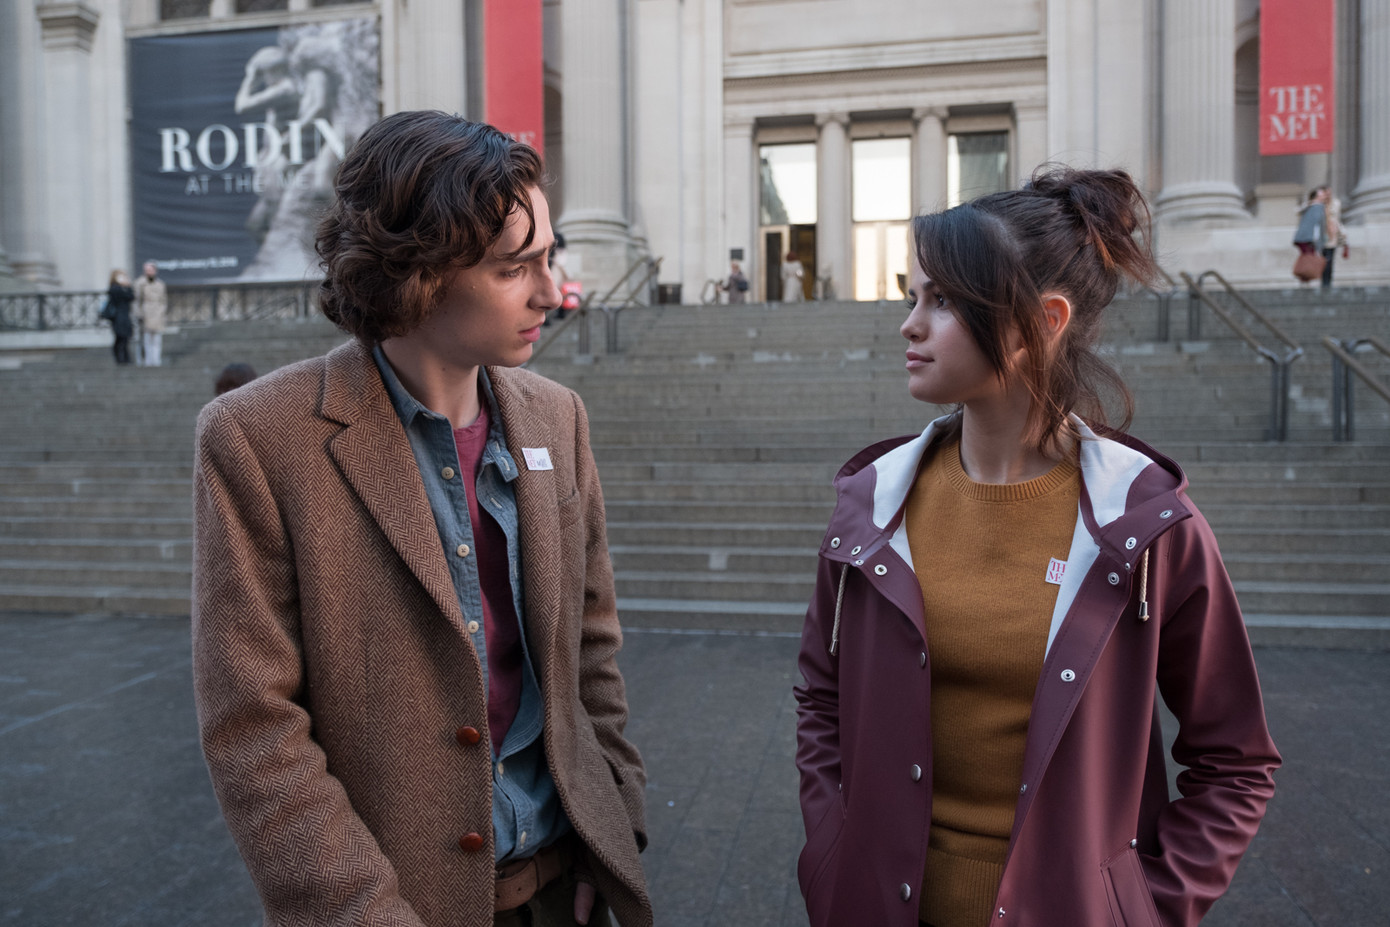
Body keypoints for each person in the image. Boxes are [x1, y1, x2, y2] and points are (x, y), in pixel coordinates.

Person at [192, 111, 652, 927]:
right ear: (421, 272)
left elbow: (591, 648)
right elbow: (255, 729)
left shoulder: (558, 417)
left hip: (565, 887)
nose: (553, 291)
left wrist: (612, 820)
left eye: (552, 258)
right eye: (519, 267)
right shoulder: (257, 437)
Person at [794, 167, 1279, 927]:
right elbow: (820, 697)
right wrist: (831, 848)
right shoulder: (870, 505)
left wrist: (1144, 907)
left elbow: (1236, 760)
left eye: (943, 299)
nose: (909, 324)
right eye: (910, 295)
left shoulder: (1147, 526)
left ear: (1041, 322)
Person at [134, 261, 168, 366]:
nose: (149, 272)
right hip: (146, 313)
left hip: (157, 313)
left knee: (157, 339)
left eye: (150, 270)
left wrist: (162, 311)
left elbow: (163, 300)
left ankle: (156, 360)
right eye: (147, 270)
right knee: (146, 339)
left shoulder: (160, 284)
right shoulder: (140, 283)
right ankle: (148, 361)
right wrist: (139, 314)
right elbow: (137, 300)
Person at [1292, 186, 1328, 283]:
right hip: (1309, 238)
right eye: (1321, 193)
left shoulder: (1310, 207)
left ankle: (1304, 280)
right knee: (1308, 258)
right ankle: (1305, 279)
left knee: (1307, 258)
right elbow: (1317, 225)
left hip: (1303, 237)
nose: (1324, 195)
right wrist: (1317, 240)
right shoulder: (1317, 207)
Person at [101, 270, 136, 365]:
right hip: (117, 317)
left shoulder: (125, 288)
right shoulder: (114, 288)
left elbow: (131, 297)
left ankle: (125, 358)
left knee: (125, 338)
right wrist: (124, 286)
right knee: (120, 338)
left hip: (125, 316)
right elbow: (118, 296)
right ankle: (121, 359)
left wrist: (128, 286)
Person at [1321, 193, 1348, 288]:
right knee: (1324, 261)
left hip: (1331, 240)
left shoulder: (1334, 207)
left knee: (1329, 261)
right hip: (1321, 240)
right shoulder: (1319, 207)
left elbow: (1336, 223)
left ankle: (1326, 283)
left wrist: (1343, 236)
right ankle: (1324, 282)